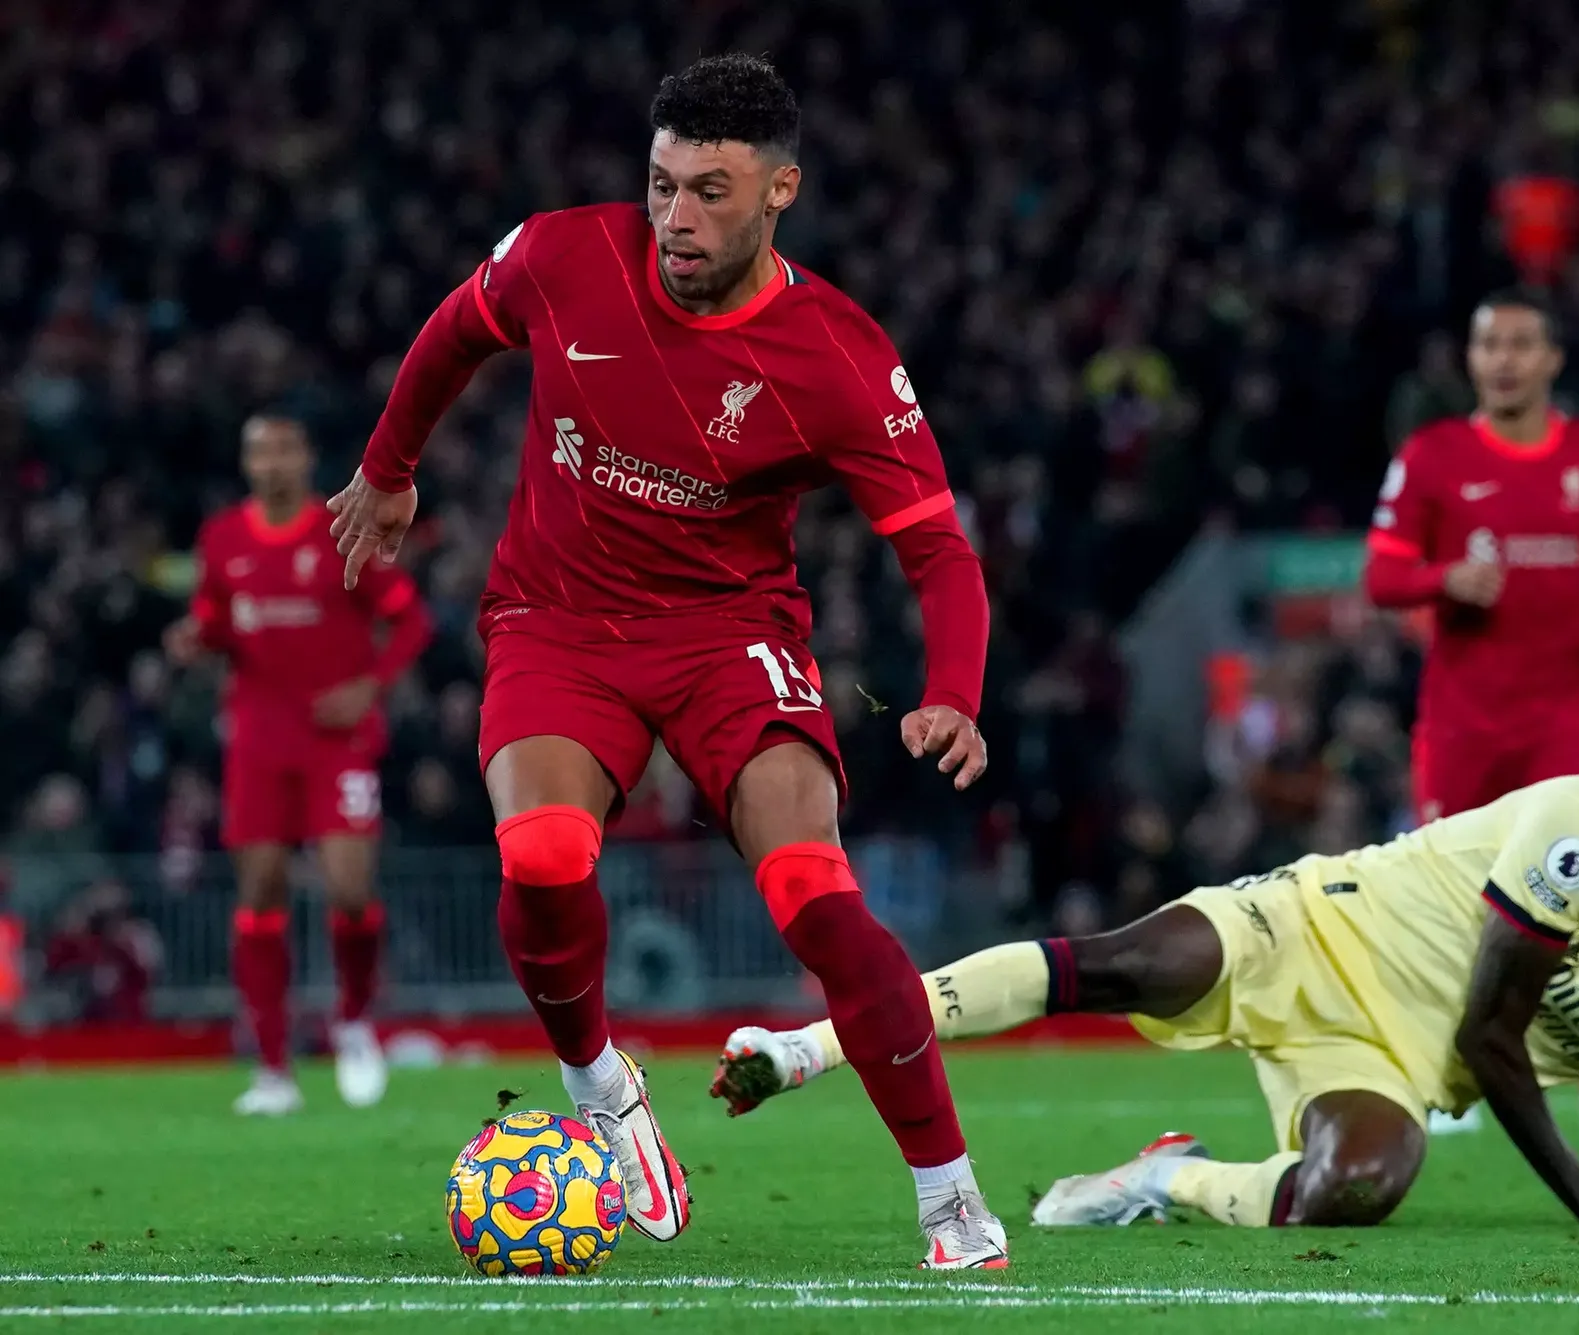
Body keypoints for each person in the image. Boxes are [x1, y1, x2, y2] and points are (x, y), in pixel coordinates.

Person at [327, 55, 1004, 1269]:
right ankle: (598, 1087)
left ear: (779, 191)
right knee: (539, 852)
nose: (675, 219)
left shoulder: (836, 357)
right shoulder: (561, 255)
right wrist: (388, 467)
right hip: (557, 620)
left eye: (709, 191)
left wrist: (951, 692)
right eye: (659, 185)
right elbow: (448, 338)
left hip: (729, 635)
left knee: (814, 894)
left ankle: (950, 1198)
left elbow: (940, 554)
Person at [713, 741, 1579, 1231]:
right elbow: (1496, 1030)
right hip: (1312, 927)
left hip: (1394, 1064)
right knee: (1127, 965)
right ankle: (806, 1047)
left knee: (1348, 1192)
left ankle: (1159, 1178)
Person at [1363, 289, 1579, 1136]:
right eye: (1488, 341)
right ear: (1470, 357)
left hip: (1567, 711)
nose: (1503, 358)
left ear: (1552, 360)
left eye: (1521, 343)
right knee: (1455, 899)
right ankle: (1455, 1075)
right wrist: (1443, 578)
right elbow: (1382, 575)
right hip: (1463, 723)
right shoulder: (1433, 455)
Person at [165, 414, 432, 1115]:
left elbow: (412, 620)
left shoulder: (339, 529)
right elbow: (216, 617)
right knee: (260, 892)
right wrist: (198, 638)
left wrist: (369, 684)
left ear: (307, 456)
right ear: (247, 462)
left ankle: (352, 1018)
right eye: (259, 451)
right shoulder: (223, 537)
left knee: (349, 887)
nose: (272, 462)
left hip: (336, 738)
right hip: (258, 736)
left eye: (284, 448)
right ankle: (275, 1067)